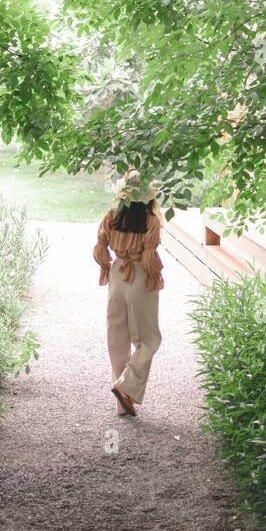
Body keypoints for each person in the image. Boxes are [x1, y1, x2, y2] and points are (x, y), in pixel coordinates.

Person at [93, 166, 164, 417]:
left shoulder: (110, 217)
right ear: (148, 199)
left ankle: (121, 402)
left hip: (116, 275)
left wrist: (109, 268)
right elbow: (149, 257)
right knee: (149, 339)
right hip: (138, 276)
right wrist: (153, 277)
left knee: (117, 339)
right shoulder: (151, 221)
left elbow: (100, 249)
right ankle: (125, 387)